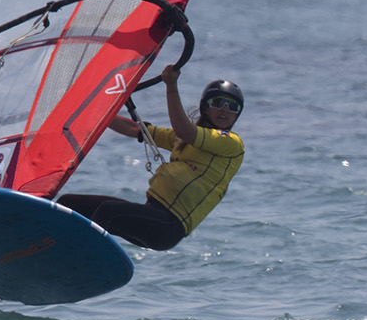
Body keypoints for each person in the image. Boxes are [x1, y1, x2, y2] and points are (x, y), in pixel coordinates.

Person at [56, 66, 246, 250]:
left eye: (233, 107)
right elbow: (136, 129)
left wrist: (171, 86)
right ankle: (47, 247)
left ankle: (79, 258)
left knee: (108, 212)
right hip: (151, 213)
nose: (225, 111)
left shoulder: (231, 144)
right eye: (219, 103)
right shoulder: (183, 139)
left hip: (169, 226)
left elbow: (185, 130)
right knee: (69, 205)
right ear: (206, 106)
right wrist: (89, 112)